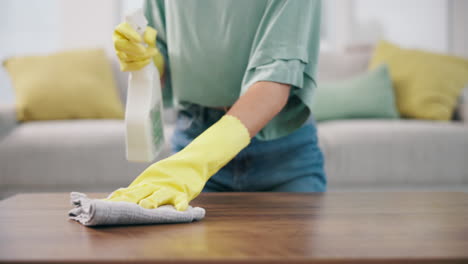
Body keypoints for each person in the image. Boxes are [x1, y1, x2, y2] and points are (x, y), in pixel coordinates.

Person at [109, 0, 326, 211]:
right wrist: (149, 61)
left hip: (283, 154)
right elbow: (164, 52)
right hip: (195, 136)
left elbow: (275, 82)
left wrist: (195, 163)